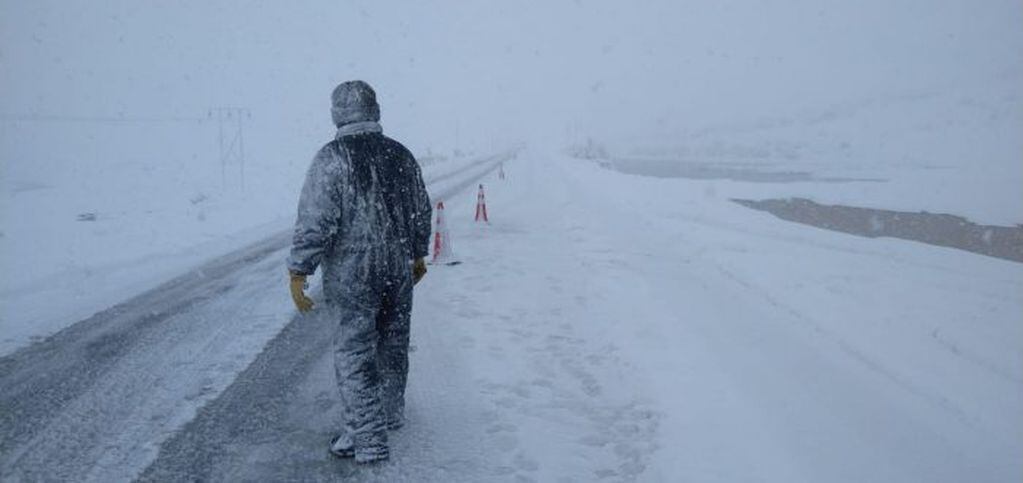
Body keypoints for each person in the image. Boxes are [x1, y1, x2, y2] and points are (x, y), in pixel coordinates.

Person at [287, 80, 432, 464]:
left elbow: (316, 220)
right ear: (375, 109)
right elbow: (420, 208)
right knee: (392, 345)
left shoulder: (331, 158)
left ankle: (367, 439)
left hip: (352, 271)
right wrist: (417, 253)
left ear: (337, 113)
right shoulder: (401, 155)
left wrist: (300, 270)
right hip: (397, 268)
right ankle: (388, 413)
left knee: (355, 352)